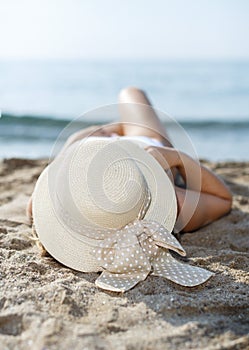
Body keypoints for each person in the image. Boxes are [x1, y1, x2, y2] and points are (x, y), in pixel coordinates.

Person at [26, 87, 232, 233]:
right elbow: (224, 199)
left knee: (80, 138)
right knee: (131, 93)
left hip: (88, 151)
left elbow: (35, 203)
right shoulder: (175, 207)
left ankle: (109, 130)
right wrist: (177, 158)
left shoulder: (58, 203)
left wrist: (69, 153)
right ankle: (114, 129)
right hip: (142, 144)